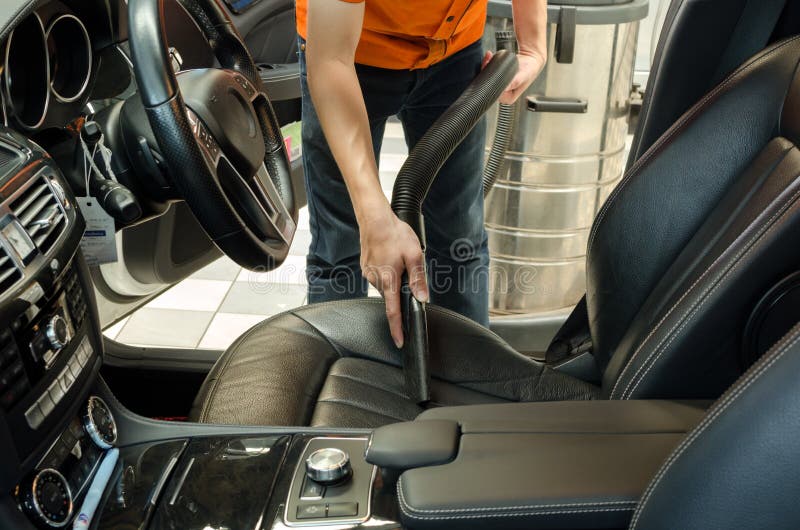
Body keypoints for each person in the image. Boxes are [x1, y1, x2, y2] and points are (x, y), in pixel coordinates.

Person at [297, 0, 547, 348]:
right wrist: (375, 218)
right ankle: (336, 378)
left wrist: (533, 44)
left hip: (454, 49)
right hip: (348, 52)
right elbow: (330, 60)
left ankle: (472, 382)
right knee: (341, 244)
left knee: (460, 240)